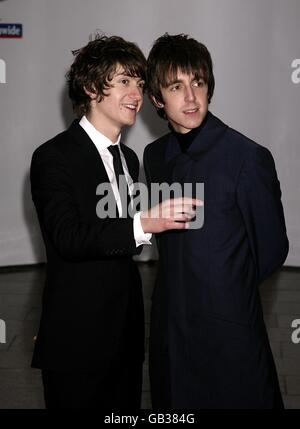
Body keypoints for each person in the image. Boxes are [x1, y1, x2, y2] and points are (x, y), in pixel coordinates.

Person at [30, 34, 198, 409]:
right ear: (91, 87)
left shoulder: (128, 157)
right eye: (124, 81)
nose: (136, 94)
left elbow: (119, 240)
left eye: (139, 83)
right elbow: (68, 238)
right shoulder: (52, 157)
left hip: (125, 339)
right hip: (76, 343)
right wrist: (145, 224)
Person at [144, 33, 289, 409]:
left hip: (230, 328)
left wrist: (224, 290)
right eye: (177, 86)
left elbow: (271, 250)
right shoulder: (154, 156)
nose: (191, 97)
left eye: (199, 83)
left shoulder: (247, 157)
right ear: (158, 99)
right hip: (172, 327)